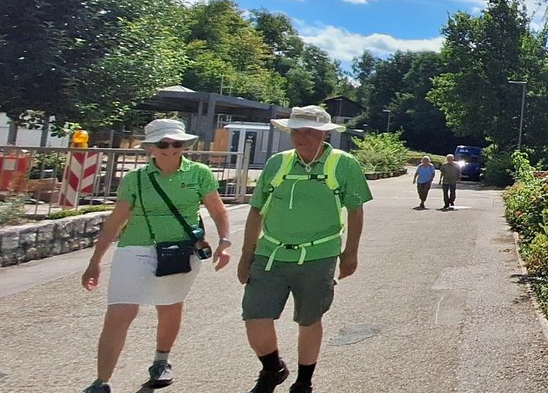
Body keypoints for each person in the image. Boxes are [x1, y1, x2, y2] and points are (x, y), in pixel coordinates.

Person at [80, 118, 233, 393]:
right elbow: (115, 222)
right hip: (135, 248)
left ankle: (161, 361)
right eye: (163, 143)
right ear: (151, 147)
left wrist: (225, 241)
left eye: (177, 143)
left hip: (179, 250)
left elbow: (218, 210)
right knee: (120, 312)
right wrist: (95, 263)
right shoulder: (135, 179)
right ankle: (101, 381)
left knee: (170, 306)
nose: (171, 148)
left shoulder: (199, 173)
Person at [238, 106, 371, 393]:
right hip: (270, 253)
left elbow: (356, 211)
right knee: (254, 317)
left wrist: (351, 253)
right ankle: (272, 368)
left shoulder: (344, 164)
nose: (300, 136)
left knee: (309, 319)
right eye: (296, 130)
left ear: (325, 134)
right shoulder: (277, 163)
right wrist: (245, 256)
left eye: (308, 131)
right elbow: (256, 210)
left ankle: (303, 381)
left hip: (318, 255)